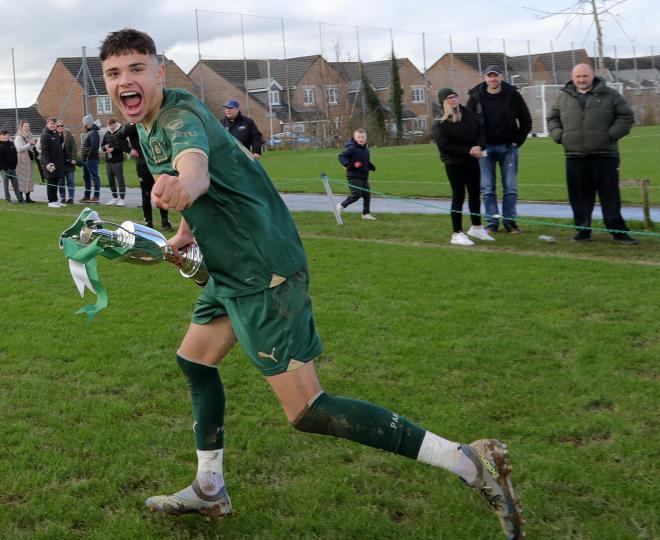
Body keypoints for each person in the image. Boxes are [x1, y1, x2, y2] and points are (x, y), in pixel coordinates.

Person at [99, 28, 524, 539]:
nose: (126, 80)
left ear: (159, 71)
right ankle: (210, 488)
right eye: (114, 73)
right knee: (194, 361)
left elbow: (197, 172)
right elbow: (220, 175)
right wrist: (186, 232)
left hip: (263, 270)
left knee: (307, 409)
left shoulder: (177, 117)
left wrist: (184, 187)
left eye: (136, 69)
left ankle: (467, 460)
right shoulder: (150, 120)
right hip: (232, 267)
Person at [547, 63, 639, 245]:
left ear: (592, 75)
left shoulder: (610, 94)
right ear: (573, 77)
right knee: (579, 197)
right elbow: (552, 118)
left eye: (585, 76)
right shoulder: (563, 97)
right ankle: (582, 231)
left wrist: (609, 136)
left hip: (605, 154)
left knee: (610, 196)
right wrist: (560, 137)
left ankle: (618, 232)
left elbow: (626, 116)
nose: (581, 80)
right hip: (574, 155)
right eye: (578, 77)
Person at [466, 66, 532, 233]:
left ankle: (510, 222)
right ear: (485, 78)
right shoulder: (475, 96)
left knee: (510, 188)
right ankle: (492, 223)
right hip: (485, 150)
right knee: (488, 189)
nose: (493, 80)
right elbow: (469, 123)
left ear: (501, 77)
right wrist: (476, 144)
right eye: (489, 76)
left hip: (508, 148)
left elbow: (526, 120)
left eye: (495, 76)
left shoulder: (512, 95)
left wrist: (517, 141)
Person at [433, 88, 494, 246]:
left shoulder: (467, 113)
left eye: (454, 96)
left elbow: (480, 129)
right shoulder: (440, 122)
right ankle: (457, 233)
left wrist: (479, 146)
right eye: (449, 98)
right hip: (454, 164)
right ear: (443, 101)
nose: (453, 100)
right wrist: (469, 150)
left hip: (471, 161)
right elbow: (446, 145)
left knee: (474, 194)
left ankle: (476, 227)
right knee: (458, 195)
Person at [124, 121, 172, 229]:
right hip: (143, 165)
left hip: (158, 164)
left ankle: (165, 222)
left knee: (161, 192)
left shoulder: (155, 122)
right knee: (146, 194)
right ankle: (149, 222)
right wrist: (129, 150)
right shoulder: (133, 127)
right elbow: (117, 138)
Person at [336, 128, 377, 220]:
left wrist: (371, 166)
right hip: (353, 175)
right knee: (356, 195)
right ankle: (341, 205)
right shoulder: (352, 148)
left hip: (364, 176)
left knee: (367, 194)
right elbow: (341, 156)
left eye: (362, 137)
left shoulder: (366, 149)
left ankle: (366, 214)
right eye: (358, 137)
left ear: (366, 138)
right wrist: (348, 164)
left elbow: (365, 161)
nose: (360, 139)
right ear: (354, 138)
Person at [39, 117, 66, 208]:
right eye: (50, 124)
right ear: (47, 124)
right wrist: (48, 163)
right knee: (51, 182)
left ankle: (55, 200)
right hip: (50, 164)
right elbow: (44, 152)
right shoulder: (45, 135)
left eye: (54, 124)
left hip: (58, 164)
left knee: (56, 182)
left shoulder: (56, 134)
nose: (52, 125)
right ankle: (50, 201)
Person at [102, 117, 127, 206]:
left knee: (120, 180)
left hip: (118, 161)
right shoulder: (106, 134)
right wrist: (105, 148)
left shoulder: (120, 133)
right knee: (111, 180)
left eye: (113, 125)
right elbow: (102, 145)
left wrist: (113, 149)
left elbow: (123, 146)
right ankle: (114, 197)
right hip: (108, 161)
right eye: (110, 125)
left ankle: (122, 199)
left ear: (116, 124)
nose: (111, 127)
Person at [79, 114, 102, 203]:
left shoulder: (93, 132)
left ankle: (96, 196)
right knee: (86, 178)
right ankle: (87, 195)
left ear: (87, 123)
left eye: (84, 123)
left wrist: (88, 158)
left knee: (94, 177)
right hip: (86, 160)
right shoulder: (89, 132)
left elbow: (94, 146)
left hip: (91, 159)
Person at [0, 130, 23, 204]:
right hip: (5, 169)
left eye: (7, 134)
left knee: (15, 184)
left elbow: (15, 154)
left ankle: (20, 198)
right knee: (6, 185)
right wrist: (4, 168)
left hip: (13, 168)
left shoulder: (11, 143)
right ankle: (8, 199)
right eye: (4, 134)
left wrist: (15, 164)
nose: (6, 136)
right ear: (0, 136)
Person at [15, 121, 37, 203]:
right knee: (21, 179)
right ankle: (20, 198)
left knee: (29, 179)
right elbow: (19, 149)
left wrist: (34, 145)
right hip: (21, 161)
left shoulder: (30, 136)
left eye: (28, 126)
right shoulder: (18, 137)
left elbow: (31, 148)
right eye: (25, 126)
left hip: (28, 161)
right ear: (21, 127)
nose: (27, 128)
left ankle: (28, 198)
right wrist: (29, 144)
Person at [58, 121, 78, 205]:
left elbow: (74, 148)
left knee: (71, 181)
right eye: (58, 126)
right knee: (61, 182)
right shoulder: (54, 136)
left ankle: (71, 198)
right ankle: (62, 198)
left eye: (61, 125)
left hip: (69, 163)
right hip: (60, 164)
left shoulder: (69, 135)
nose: (60, 127)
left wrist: (73, 159)